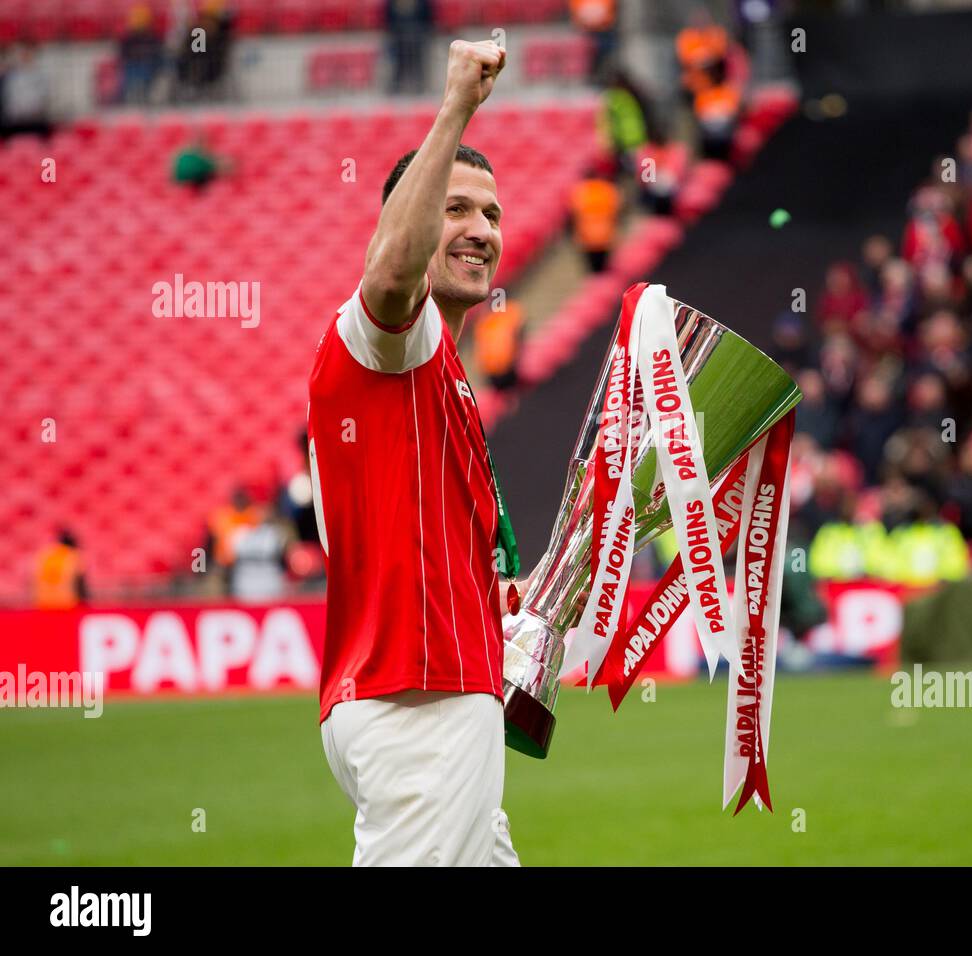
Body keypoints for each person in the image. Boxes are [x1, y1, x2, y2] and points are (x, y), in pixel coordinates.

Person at [308, 40, 521, 867]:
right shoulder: (387, 339)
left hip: (433, 695)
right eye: (455, 209)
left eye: (493, 215)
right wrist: (458, 107)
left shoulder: (444, 379)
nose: (480, 230)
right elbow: (394, 276)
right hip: (419, 705)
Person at [570, 166, 621, 272]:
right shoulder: (607, 189)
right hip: (605, 231)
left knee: (593, 264)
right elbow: (616, 209)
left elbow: (575, 212)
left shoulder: (580, 191)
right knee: (604, 264)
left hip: (587, 233)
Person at [33, 529, 88, 609]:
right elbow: (80, 583)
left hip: (43, 603)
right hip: (66, 603)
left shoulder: (45, 554)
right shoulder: (73, 555)